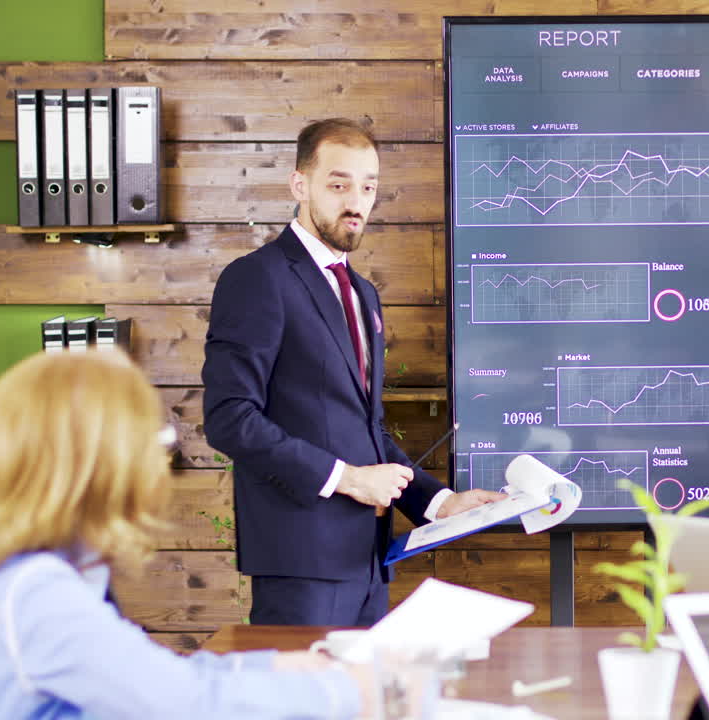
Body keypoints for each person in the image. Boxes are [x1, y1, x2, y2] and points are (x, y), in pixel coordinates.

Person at [0, 351, 406, 719]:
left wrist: (276, 665)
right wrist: (353, 691)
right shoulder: (38, 593)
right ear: (97, 466)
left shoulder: (41, 574)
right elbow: (183, 704)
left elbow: (154, 677)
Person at [203, 118, 503, 626]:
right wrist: (347, 480)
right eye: (339, 185)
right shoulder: (256, 279)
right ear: (300, 185)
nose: (356, 202)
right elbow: (230, 418)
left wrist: (440, 502)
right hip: (300, 564)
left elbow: (365, 430)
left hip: (368, 563)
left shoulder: (363, 293)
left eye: (368, 187)